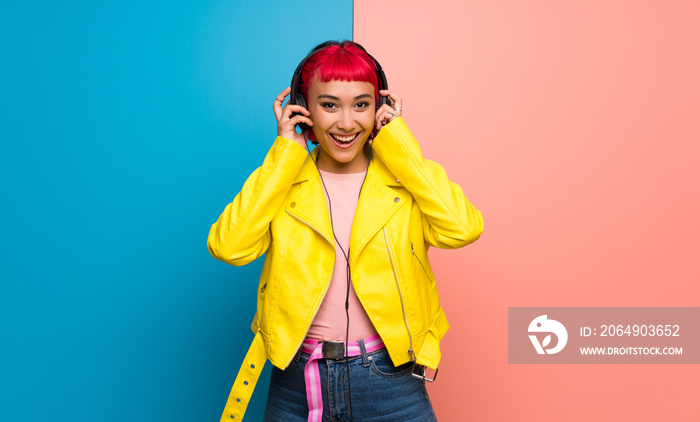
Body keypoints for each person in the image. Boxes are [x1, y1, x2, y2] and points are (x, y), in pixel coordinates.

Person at [208, 40, 483, 422]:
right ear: (304, 109)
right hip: (296, 382)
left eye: (361, 104)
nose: (347, 123)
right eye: (330, 104)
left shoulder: (403, 185)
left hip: (392, 381)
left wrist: (399, 143)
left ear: (380, 109)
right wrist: (284, 153)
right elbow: (229, 246)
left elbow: (463, 229)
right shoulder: (283, 181)